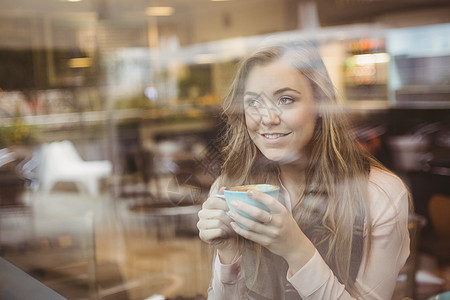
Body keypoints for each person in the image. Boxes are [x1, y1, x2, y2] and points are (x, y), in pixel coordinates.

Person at [196, 41, 411, 299]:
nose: (267, 118)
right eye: (252, 102)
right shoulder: (228, 187)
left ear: (320, 104)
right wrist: (228, 254)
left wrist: (296, 250)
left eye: (285, 99)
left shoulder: (380, 194)